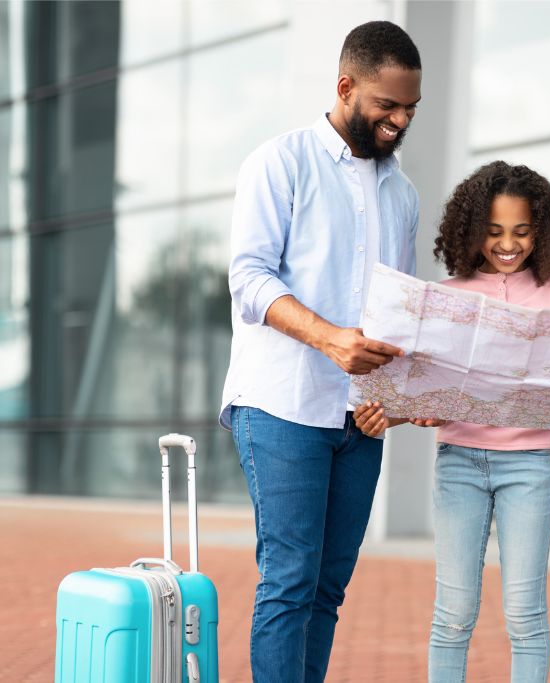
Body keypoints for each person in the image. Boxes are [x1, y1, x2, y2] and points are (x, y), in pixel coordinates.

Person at [218, 21, 425, 683]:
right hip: (281, 403)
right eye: (387, 105)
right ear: (345, 87)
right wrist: (330, 337)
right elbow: (250, 278)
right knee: (289, 579)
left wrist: (393, 400)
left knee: (328, 587)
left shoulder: (403, 193)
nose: (399, 120)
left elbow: (404, 310)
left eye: (410, 109)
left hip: (359, 418)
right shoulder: (280, 162)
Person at [353, 161, 550, 683]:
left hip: (529, 468)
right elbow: (414, 389)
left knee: (526, 614)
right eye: (494, 232)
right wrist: (388, 417)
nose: (508, 244)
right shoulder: (445, 298)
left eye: (522, 231)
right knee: (453, 615)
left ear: (542, 231)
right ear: (471, 231)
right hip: (459, 463)